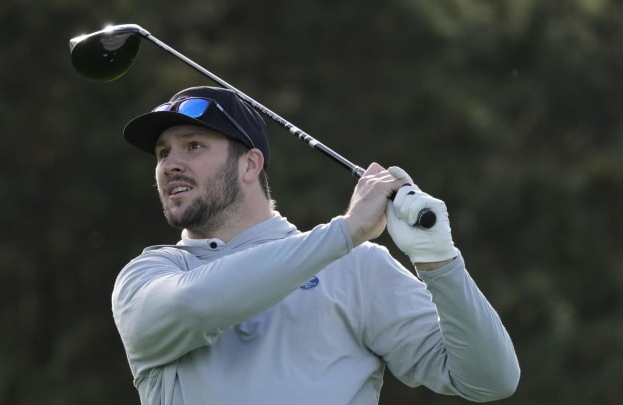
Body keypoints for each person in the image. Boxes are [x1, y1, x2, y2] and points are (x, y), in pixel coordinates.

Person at [112, 86, 520, 405]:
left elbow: (490, 380)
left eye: (193, 145)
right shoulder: (148, 276)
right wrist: (345, 232)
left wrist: (439, 263)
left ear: (250, 165)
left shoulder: (357, 269)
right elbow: (195, 305)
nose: (170, 164)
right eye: (163, 153)